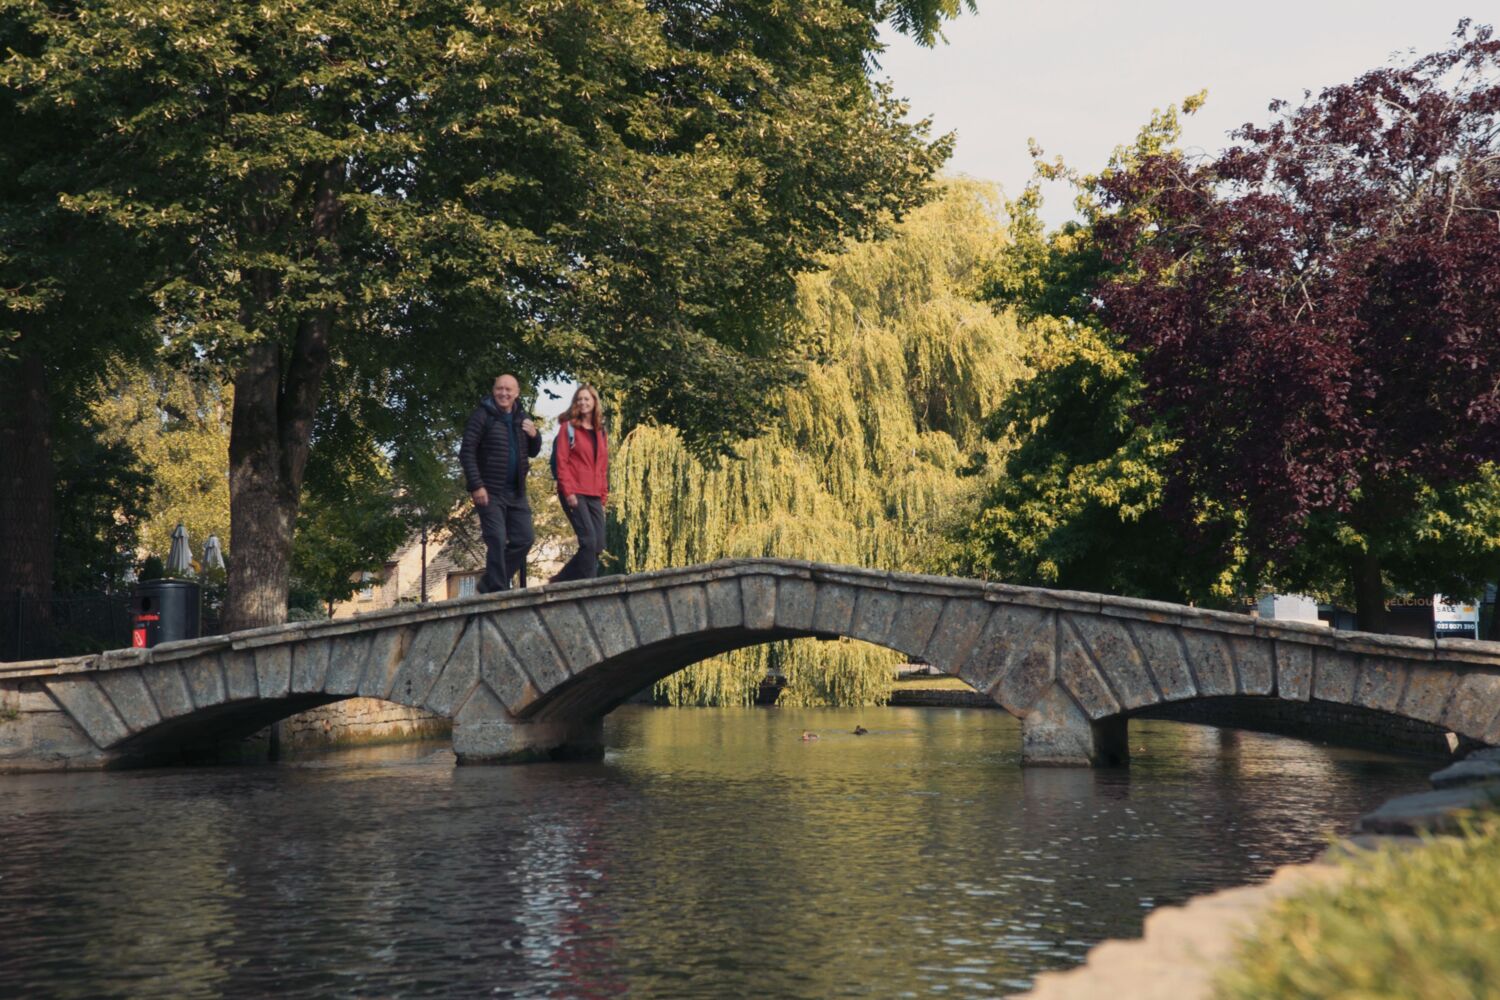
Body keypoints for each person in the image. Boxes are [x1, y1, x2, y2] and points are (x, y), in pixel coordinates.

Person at [459, 374, 541, 592]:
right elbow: (467, 451)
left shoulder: (521, 416)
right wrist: (476, 485)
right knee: (496, 538)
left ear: (516, 393)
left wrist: (535, 435)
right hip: (490, 491)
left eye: (508, 390)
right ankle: (497, 590)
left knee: (525, 538)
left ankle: (489, 582)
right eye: (499, 389)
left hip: (516, 491)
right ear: (493, 390)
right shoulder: (482, 416)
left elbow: (533, 451)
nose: (503, 393)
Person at [550, 384, 609, 582]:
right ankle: (589, 585)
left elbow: (602, 466)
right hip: (574, 491)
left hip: (594, 493)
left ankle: (560, 580)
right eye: (579, 399)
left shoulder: (600, 431)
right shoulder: (568, 428)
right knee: (588, 541)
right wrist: (568, 492)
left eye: (587, 399)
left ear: (594, 402)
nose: (583, 402)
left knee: (598, 544)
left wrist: (603, 496)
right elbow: (562, 462)